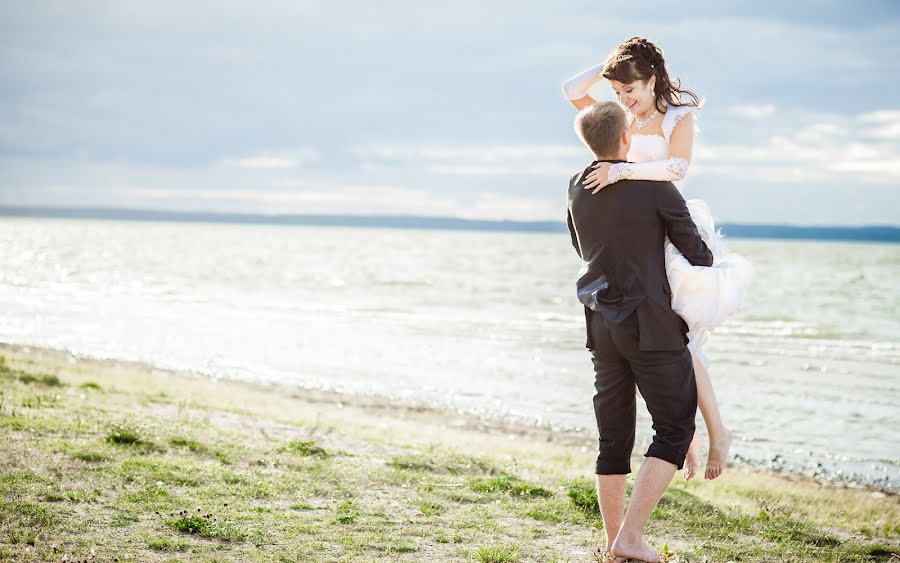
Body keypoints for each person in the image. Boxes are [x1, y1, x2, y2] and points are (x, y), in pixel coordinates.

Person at [562, 36, 754, 481]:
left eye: (630, 89)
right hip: (638, 239)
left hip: (670, 230)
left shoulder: (679, 118)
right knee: (675, 347)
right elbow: (572, 90)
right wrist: (612, 63)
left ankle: (710, 433)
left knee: (682, 342)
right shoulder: (621, 119)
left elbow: (677, 170)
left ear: (652, 80)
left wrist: (622, 171)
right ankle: (700, 434)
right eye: (617, 92)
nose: (624, 99)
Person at [566, 100, 713, 563]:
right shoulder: (656, 187)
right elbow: (700, 254)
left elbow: (579, 245)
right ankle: (629, 538)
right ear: (627, 137)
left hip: (600, 319)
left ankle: (615, 543)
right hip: (649, 322)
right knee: (674, 426)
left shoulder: (576, 184)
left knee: (614, 436)